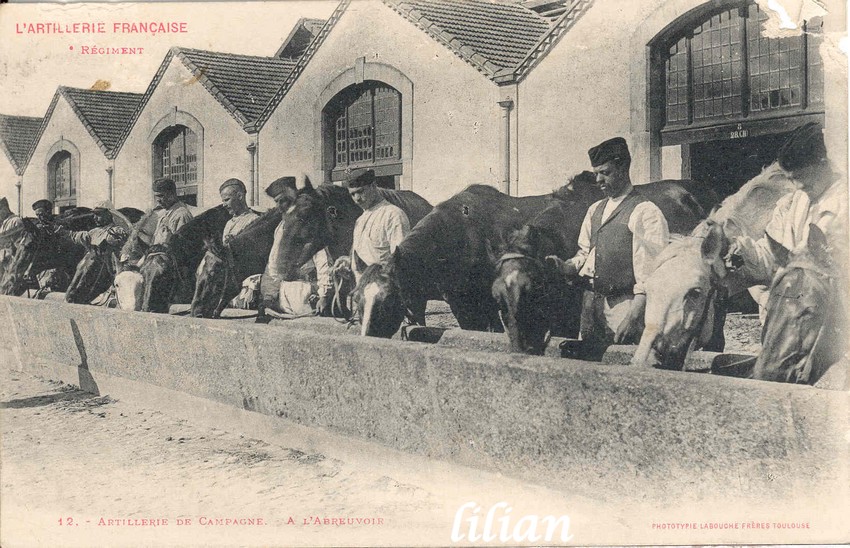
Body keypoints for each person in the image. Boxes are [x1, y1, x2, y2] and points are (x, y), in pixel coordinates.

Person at [546, 137, 670, 358]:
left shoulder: (645, 212)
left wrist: (633, 317)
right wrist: (568, 266)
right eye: (596, 174)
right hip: (591, 307)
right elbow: (585, 252)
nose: (599, 180)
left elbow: (652, 275)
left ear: (623, 167)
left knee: (628, 366)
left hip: (624, 306)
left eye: (605, 172)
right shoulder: (595, 210)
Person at [728, 122, 848, 286]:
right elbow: (772, 255)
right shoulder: (793, 203)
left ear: (823, 163)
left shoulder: (844, 203)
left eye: (802, 176)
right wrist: (743, 251)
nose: (798, 186)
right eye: (791, 179)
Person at [260, 176, 332, 317]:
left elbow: (323, 261)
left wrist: (324, 295)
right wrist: (269, 296)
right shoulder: (280, 228)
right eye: (277, 202)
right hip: (284, 294)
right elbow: (273, 264)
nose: (279, 206)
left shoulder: (308, 222)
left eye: (283, 201)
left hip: (306, 293)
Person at [347, 168, 410, 282]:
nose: (357, 199)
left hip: (383, 289)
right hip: (362, 291)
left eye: (360, 191)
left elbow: (400, 261)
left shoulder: (393, 214)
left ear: (373, 186)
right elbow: (361, 259)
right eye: (352, 194)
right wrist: (346, 263)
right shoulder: (359, 221)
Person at [54, 202, 130, 249]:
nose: (94, 218)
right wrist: (63, 232)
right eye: (94, 215)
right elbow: (80, 236)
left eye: (98, 215)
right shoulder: (95, 231)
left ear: (109, 215)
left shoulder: (118, 231)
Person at [151, 178, 193, 245]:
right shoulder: (164, 214)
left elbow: (184, 247)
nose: (158, 200)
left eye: (161, 196)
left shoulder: (182, 215)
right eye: (156, 196)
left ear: (172, 194)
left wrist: (168, 242)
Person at [219, 178, 260, 244]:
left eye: (227, 200)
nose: (224, 205)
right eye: (223, 201)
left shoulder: (254, 220)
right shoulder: (229, 223)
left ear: (240, 196)